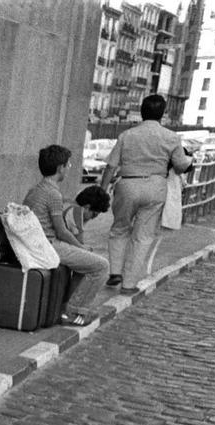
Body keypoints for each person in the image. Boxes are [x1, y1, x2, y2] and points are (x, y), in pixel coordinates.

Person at [98, 94, 194, 293]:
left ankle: (115, 272)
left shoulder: (127, 135)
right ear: (163, 114)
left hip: (128, 184)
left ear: (142, 111)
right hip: (155, 186)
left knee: (119, 228)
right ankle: (129, 283)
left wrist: (102, 190)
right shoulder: (171, 137)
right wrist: (190, 160)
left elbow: (111, 166)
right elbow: (181, 164)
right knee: (143, 235)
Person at [22, 146, 109, 327]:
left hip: (38, 243)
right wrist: (80, 247)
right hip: (50, 245)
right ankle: (75, 311)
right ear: (60, 168)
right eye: (68, 165)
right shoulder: (53, 194)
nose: (69, 168)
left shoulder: (35, 190)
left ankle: (66, 307)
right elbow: (61, 231)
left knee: (84, 264)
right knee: (101, 266)